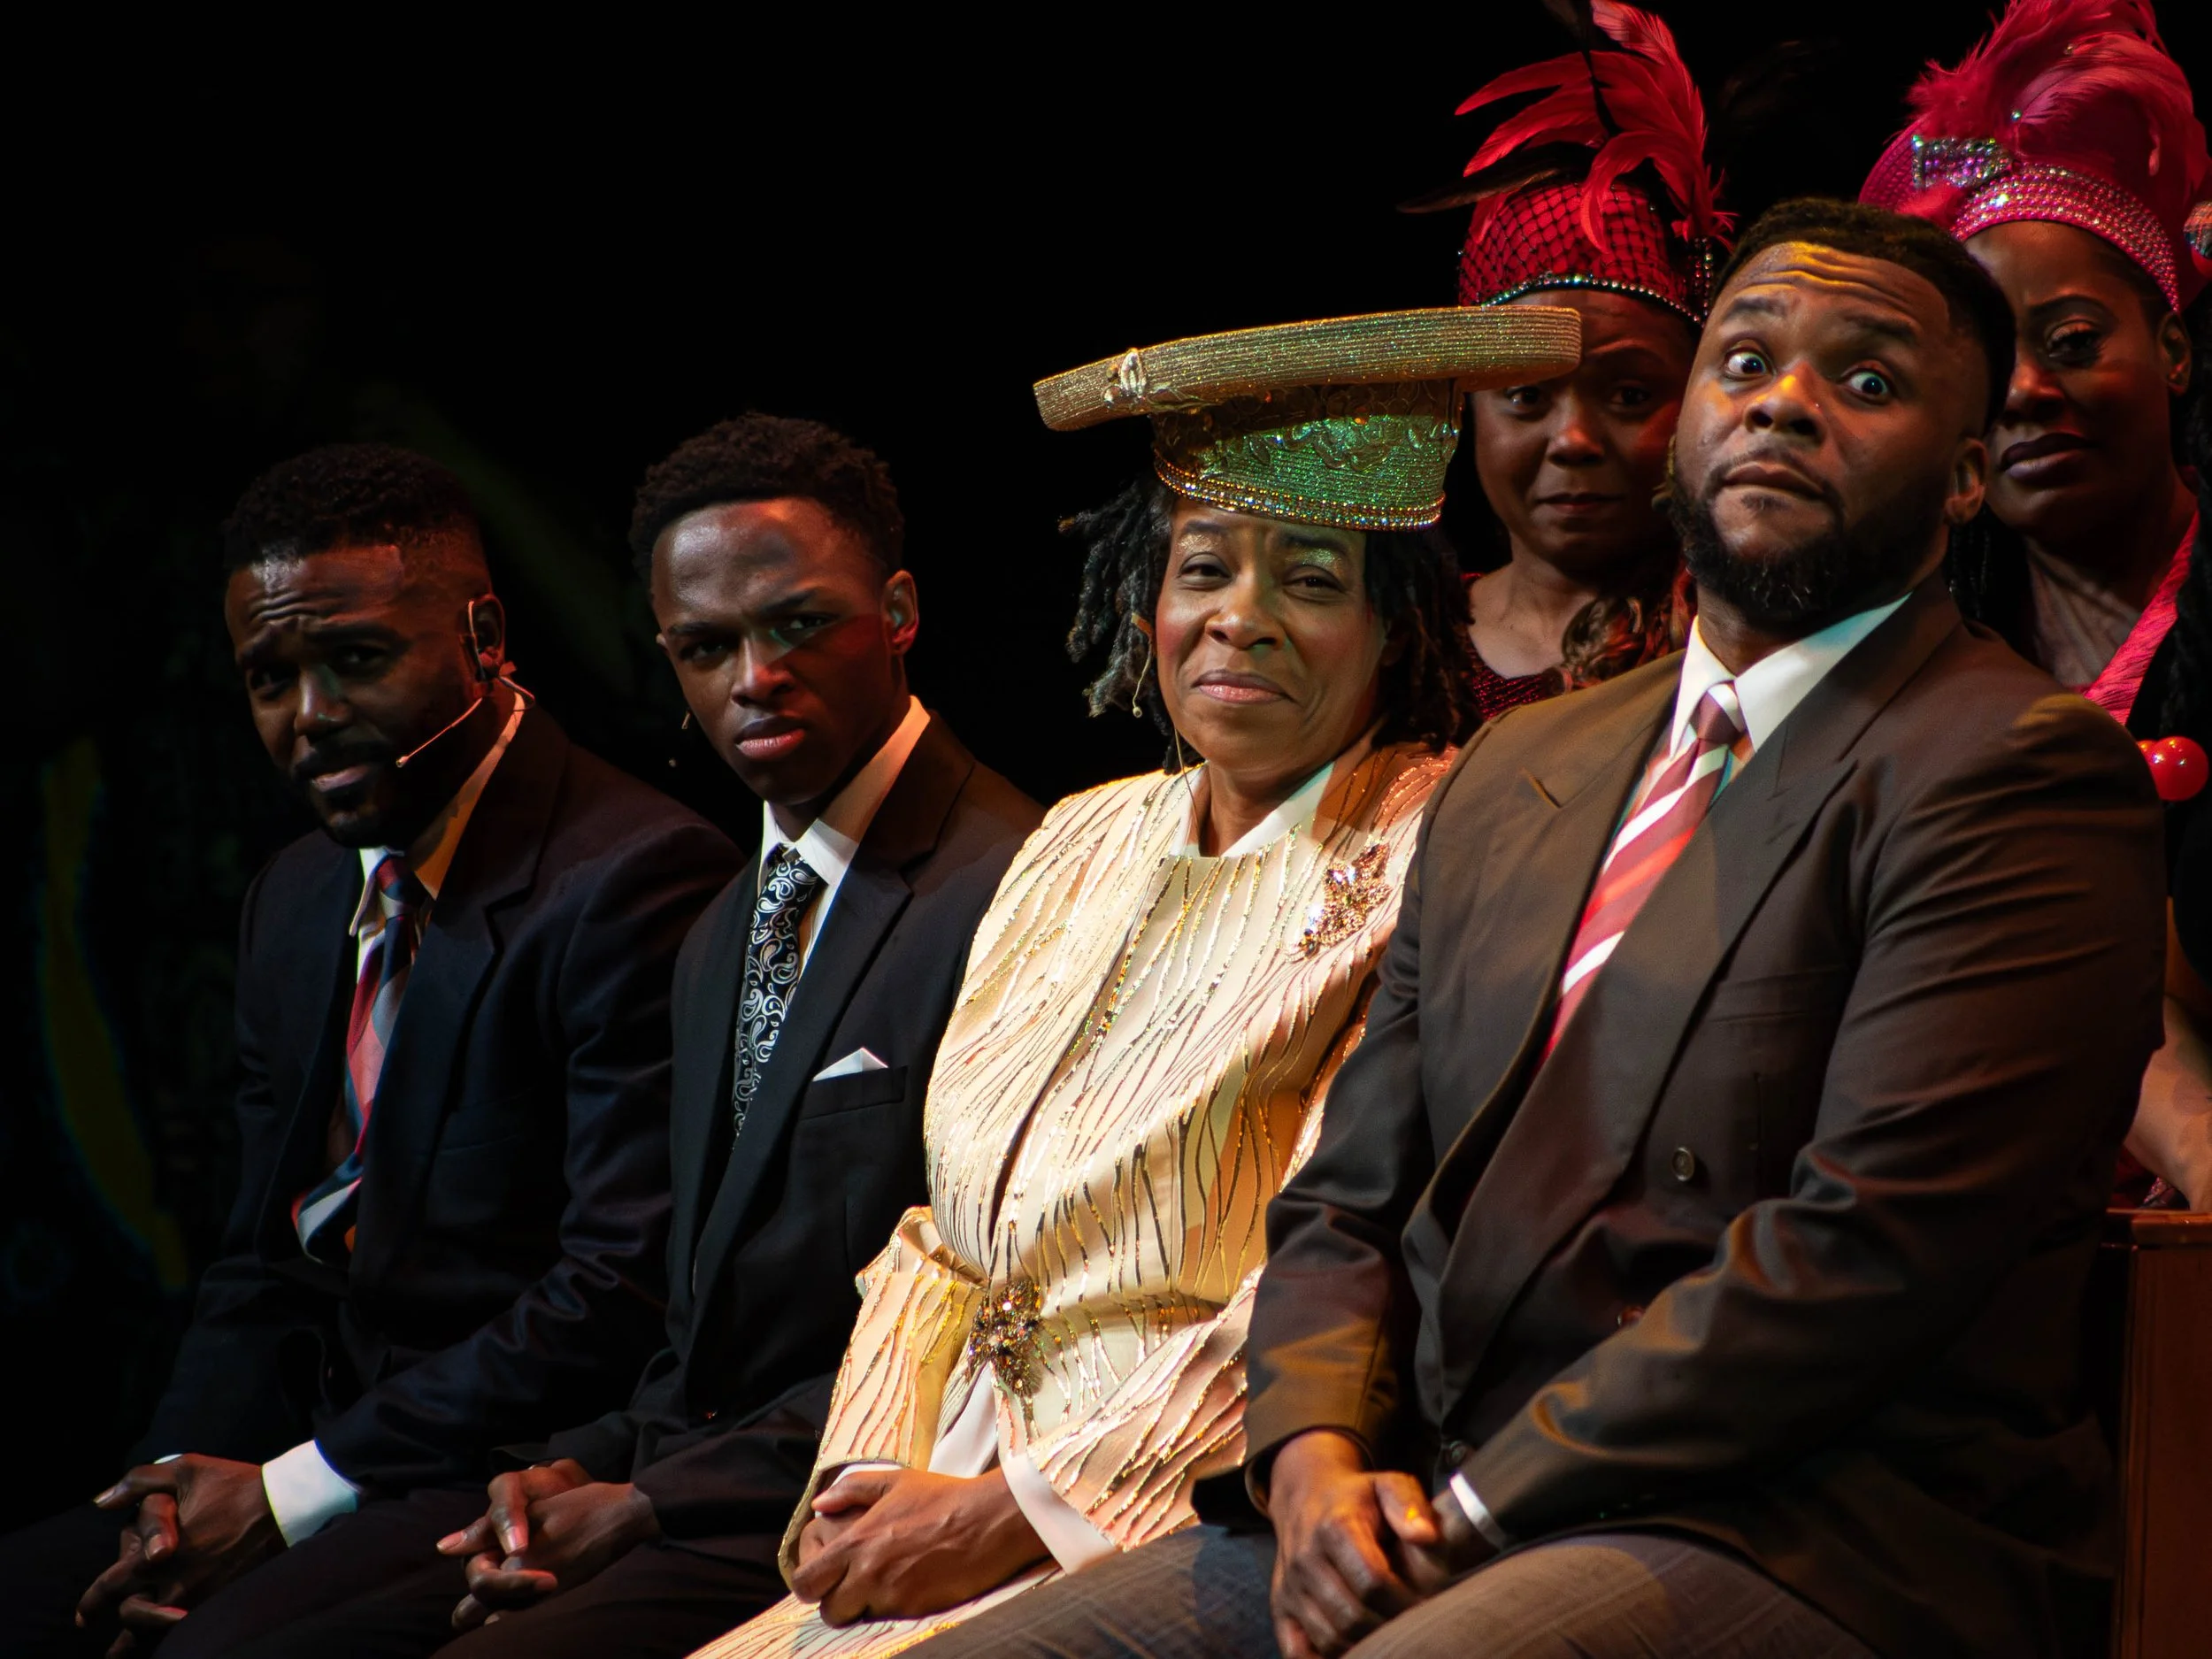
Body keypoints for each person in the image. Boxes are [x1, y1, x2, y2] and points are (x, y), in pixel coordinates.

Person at [903, 201, 2170, 1659]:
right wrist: (1312, 1462)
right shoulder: (1522, 763)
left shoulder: (2015, 767)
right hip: (1421, 1482)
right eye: (1743, 362)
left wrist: (1472, 1515)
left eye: (1866, 379)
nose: (1784, 403)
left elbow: (1863, 1254)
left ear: (1963, 476)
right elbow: (1348, 1196)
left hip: (1802, 1518)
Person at [685, 305, 1579, 1659]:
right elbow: (945, 1232)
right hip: (934, 1464)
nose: (1238, 618)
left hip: (1173, 1500)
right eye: (1202, 567)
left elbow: (1342, 1261)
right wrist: (859, 1477)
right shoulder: (1077, 835)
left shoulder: (1444, 852)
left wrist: (1022, 1508)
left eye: (1312, 578)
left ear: (1397, 627)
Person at [145, 417, 1043, 1659]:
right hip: (665, 1465)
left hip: (850, 1486)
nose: (754, 678)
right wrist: (587, 1466)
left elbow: (996, 1311)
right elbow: (698, 1323)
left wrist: (646, 1495)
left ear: (898, 612)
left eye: (797, 625)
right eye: (705, 646)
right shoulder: (736, 911)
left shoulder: (1018, 883)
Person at [0, 444, 743, 1656]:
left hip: (512, 1461)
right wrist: (165, 1501)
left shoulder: (634, 878)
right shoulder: (296, 896)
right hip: (324, 1447)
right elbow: (261, 1265)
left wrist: (289, 1490)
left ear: (485, 636)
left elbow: (615, 1290)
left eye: (356, 659)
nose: (309, 715)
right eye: (270, 677)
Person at [1862, 0, 2212, 1210]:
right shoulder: (1907, 658)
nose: (2026, 391)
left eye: (2070, 340)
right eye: (1988, 363)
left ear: (2173, 351)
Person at [1409, 1, 1724, 722]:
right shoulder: (1397, 649)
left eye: (1630, 394)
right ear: (1467, 408)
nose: (1574, 439)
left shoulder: (1743, 648)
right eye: (1526, 395)